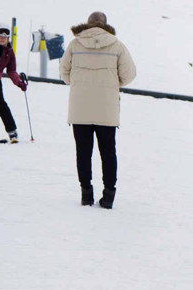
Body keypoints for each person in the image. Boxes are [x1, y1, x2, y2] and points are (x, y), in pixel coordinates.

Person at [59, 11, 137, 209]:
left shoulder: (75, 44)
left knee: (83, 152)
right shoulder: (117, 45)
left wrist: (78, 84)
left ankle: (86, 193)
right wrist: (112, 84)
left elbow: (64, 72)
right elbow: (129, 74)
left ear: (87, 24)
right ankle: (109, 196)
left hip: (80, 108)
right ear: (105, 25)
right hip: (107, 109)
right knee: (108, 152)